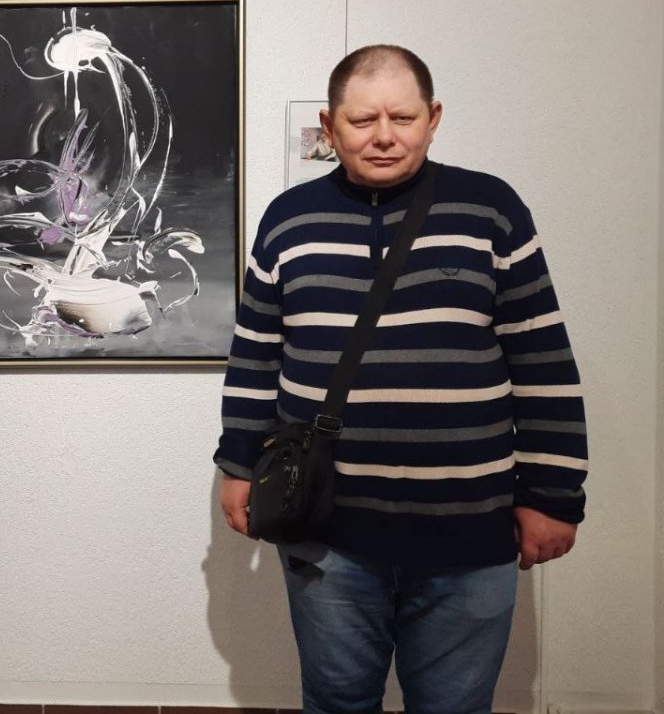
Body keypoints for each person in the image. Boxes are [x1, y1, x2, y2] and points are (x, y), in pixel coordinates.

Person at [215, 46, 587, 714]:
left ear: (433, 118)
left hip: (471, 533)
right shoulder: (287, 220)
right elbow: (255, 357)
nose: (383, 136)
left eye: (403, 117)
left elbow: (543, 360)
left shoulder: (492, 210)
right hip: (326, 533)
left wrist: (554, 494)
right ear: (330, 127)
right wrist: (238, 466)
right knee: (336, 702)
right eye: (362, 120)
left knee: (455, 707)